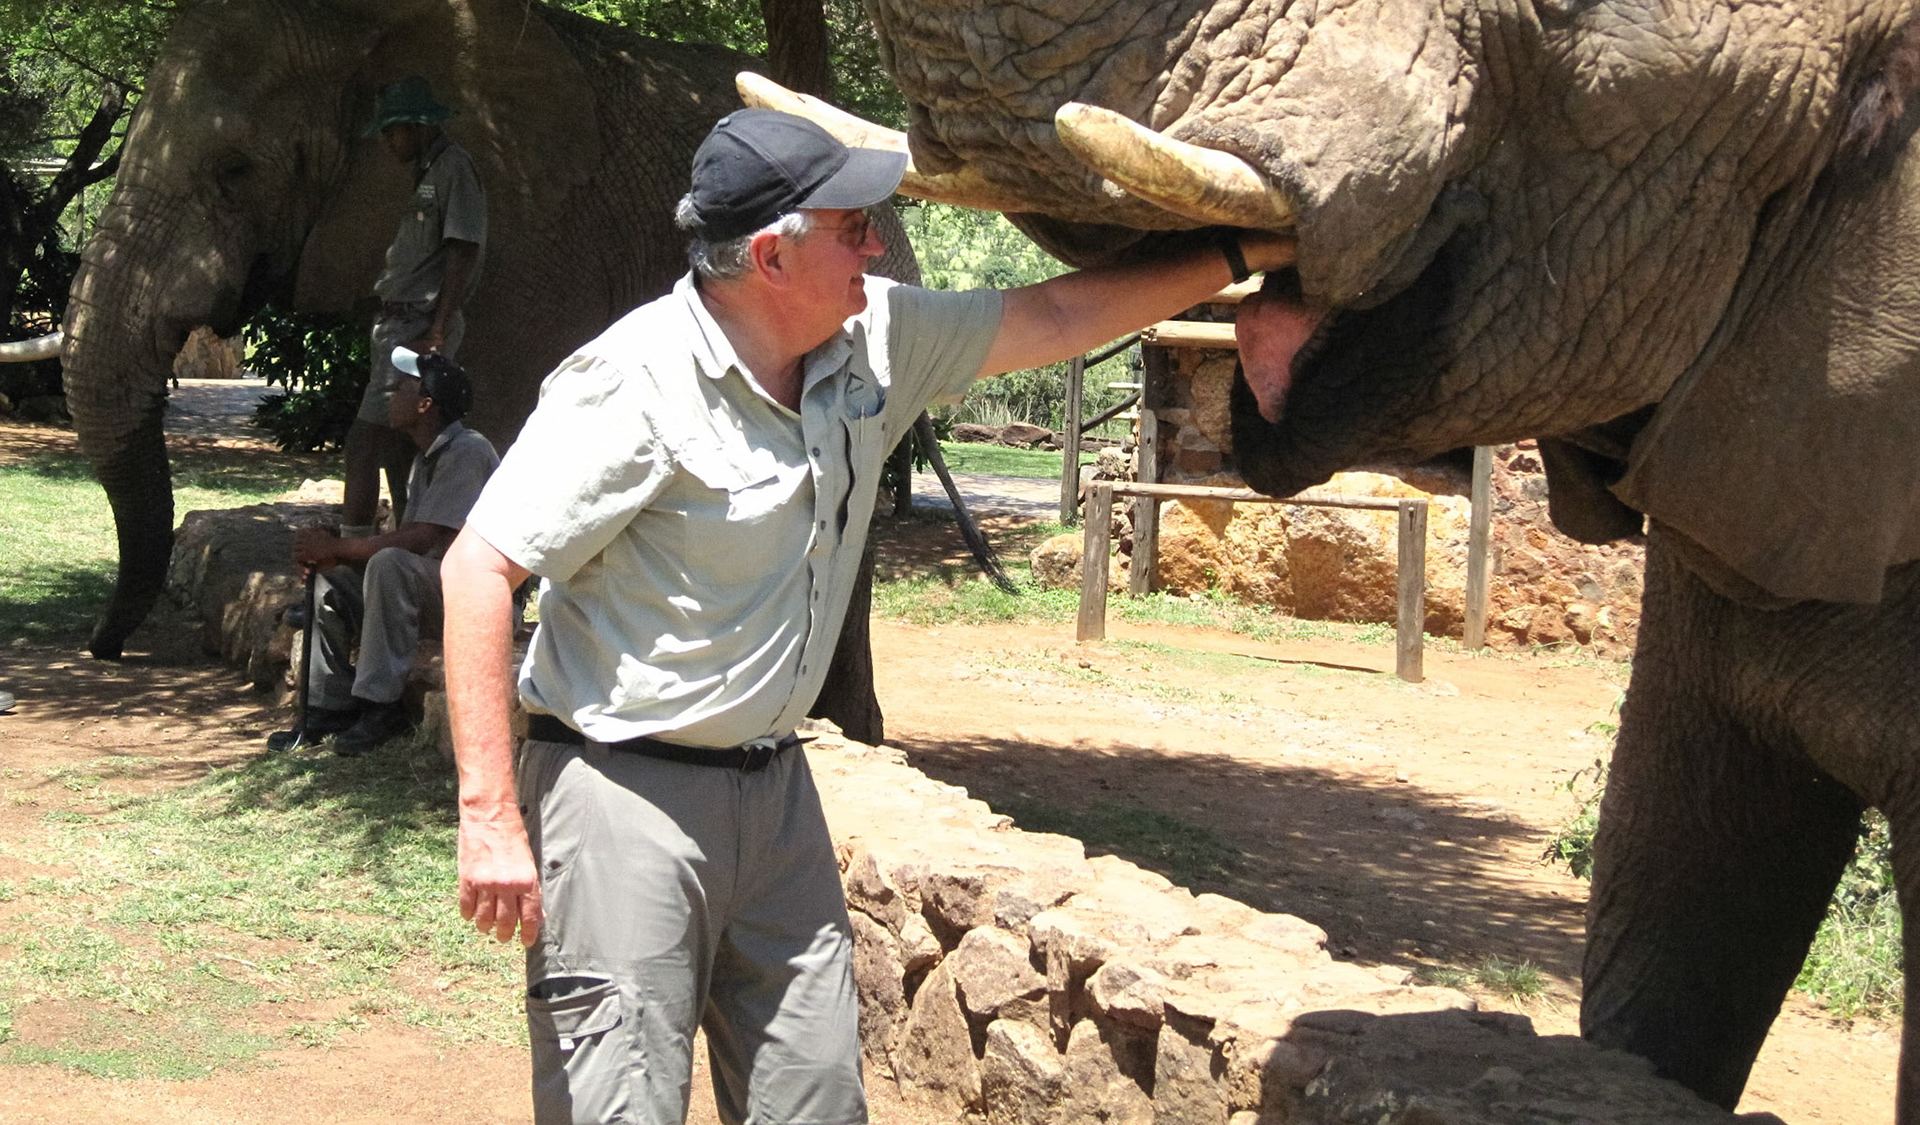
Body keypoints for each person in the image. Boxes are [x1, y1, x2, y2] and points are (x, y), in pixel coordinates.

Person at [439, 108, 1292, 1125]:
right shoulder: (633, 384)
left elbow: (1060, 319)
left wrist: (1242, 249)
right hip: (623, 800)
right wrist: (490, 818)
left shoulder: (876, 333)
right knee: (616, 1107)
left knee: (815, 1103)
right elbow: (477, 570)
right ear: (769, 256)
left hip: (778, 797)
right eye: (852, 226)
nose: (877, 245)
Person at [273, 347, 498, 757]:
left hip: (474, 599)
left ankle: (381, 707)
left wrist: (339, 546)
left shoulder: (468, 450)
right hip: (432, 588)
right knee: (330, 580)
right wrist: (334, 558)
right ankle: (328, 706)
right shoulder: (425, 458)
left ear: (426, 404)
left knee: (389, 562)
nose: (392, 394)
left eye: (404, 387)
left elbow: (421, 539)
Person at [343, 76, 487, 537]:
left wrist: (439, 329)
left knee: (364, 441)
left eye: (392, 130)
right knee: (400, 445)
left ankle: (350, 552)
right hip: (398, 322)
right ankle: (405, 546)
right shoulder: (428, 170)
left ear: (419, 126)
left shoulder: (453, 168)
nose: (387, 141)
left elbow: (463, 248)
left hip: (417, 324)